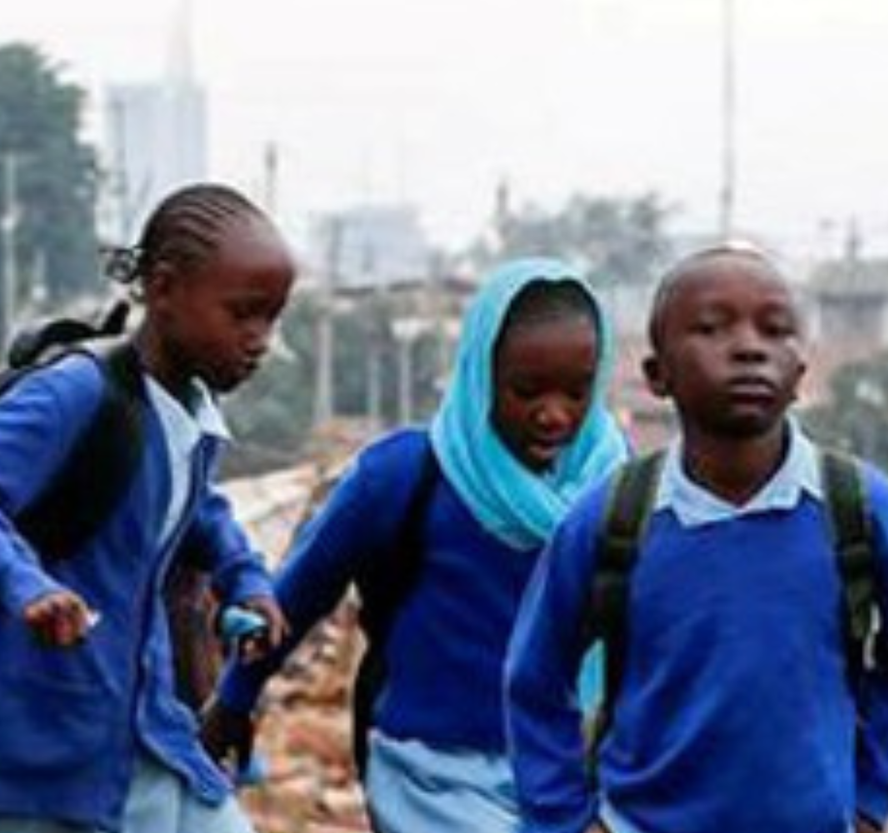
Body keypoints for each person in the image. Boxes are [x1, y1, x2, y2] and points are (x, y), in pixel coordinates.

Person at [0, 184, 291, 833]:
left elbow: (196, 505)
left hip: (130, 726)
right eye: (242, 314)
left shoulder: (186, 413)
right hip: (18, 737)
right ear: (165, 287)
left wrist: (247, 578)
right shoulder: (78, 394)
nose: (259, 340)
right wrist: (22, 581)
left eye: (272, 317)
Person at [502, 246, 888, 833]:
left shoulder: (864, 511)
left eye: (775, 329)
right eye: (712, 328)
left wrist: (874, 797)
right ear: (657, 374)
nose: (749, 347)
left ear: (800, 370)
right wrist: (567, 818)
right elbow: (534, 677)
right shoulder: (613, 520)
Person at [202, 259, 627, 833]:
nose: (553, 414)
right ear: (480, 375)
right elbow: (297, 598)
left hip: (563, 770)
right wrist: (235, 697)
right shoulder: (405, 476)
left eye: (576, 393)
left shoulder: (617, 492)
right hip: (430, 772)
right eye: (526, 391)